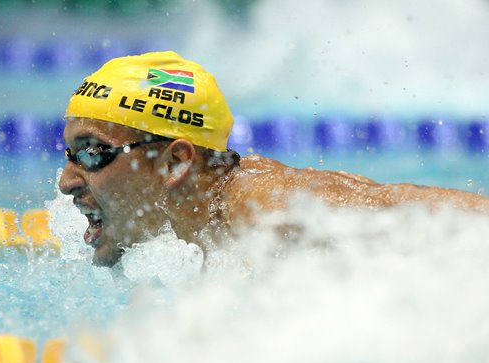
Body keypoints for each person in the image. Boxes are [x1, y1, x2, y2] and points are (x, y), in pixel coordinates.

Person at [58, 51, 489, 267]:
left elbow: (403, 207)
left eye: (92, 154)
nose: (65, 181)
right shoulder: (206, 227)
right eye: (68, 155)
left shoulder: (268, 209)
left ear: (176, 163)